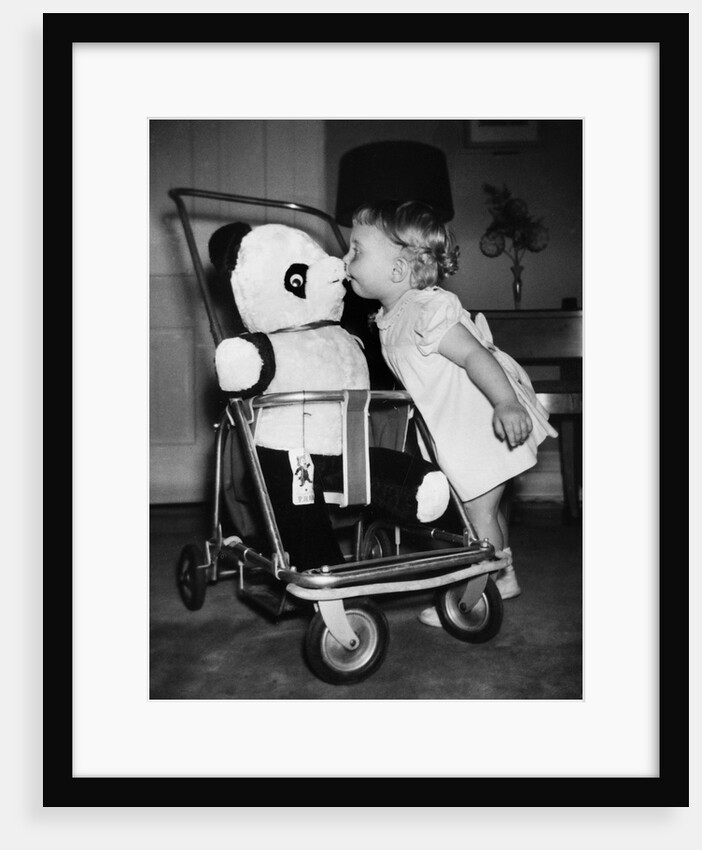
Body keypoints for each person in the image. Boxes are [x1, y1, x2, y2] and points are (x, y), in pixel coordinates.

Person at [343, 200, 557, 625]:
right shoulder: (393, 313)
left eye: (356, 250)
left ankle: (478, 594)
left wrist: (506, 403)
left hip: (479, 429)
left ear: (399, 270)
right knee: (484, 514)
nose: (345, 259)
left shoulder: (425, 310)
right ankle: (503, 574)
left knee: (477, 518)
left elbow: (476, 355)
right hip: (457, 431)